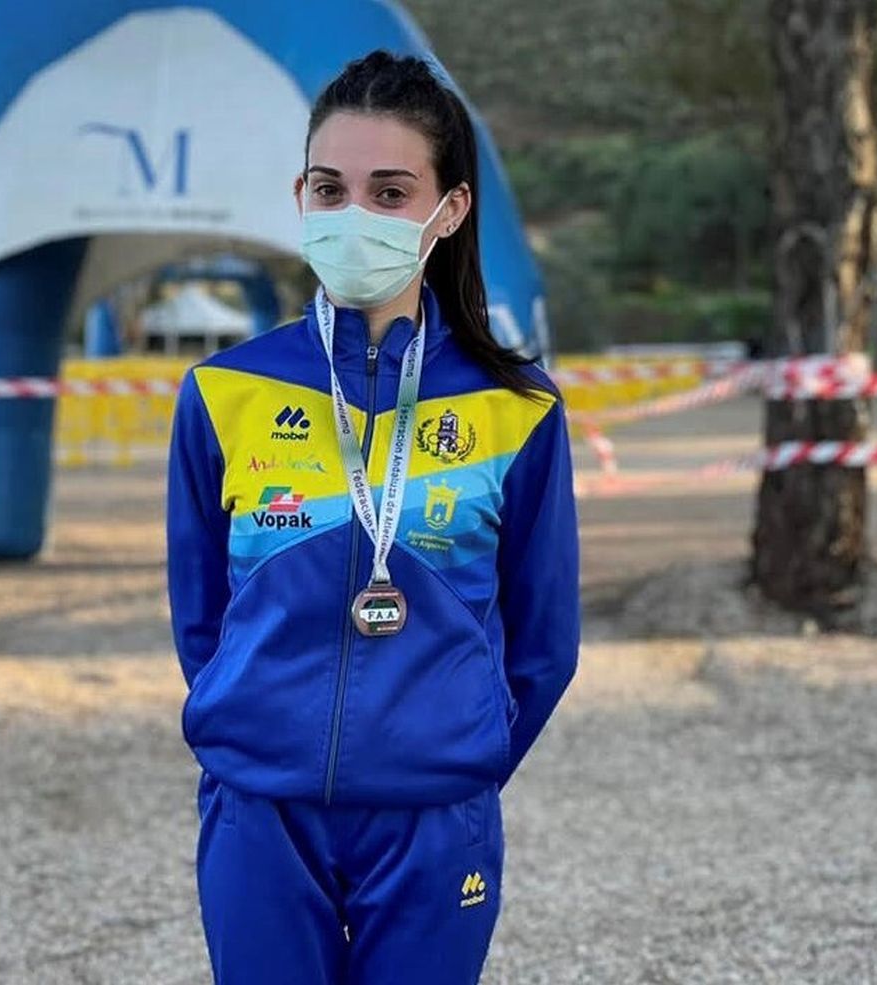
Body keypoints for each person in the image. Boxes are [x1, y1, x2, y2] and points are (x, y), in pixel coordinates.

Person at [166, 50, 580, 985]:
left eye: (390, 192)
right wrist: (254, 732)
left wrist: (456, 752)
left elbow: (545, 638)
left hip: (436, 818)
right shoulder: (223, 392)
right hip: (260, 812)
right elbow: (200, 618)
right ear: (302, 197)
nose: (355, 215)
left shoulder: (517, 407)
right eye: (331, 189)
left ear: (450, 209)